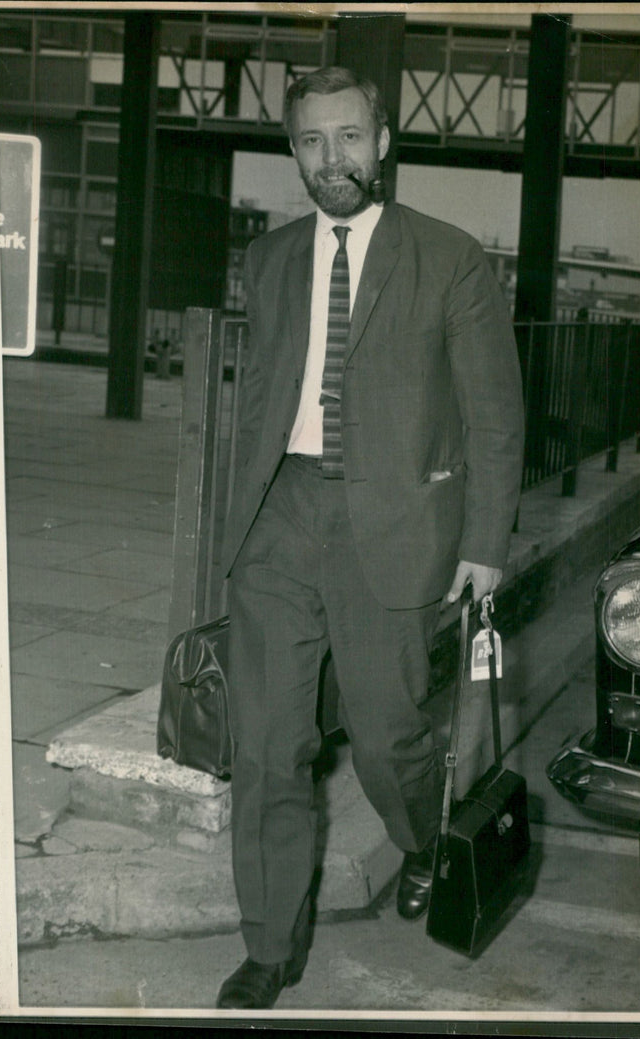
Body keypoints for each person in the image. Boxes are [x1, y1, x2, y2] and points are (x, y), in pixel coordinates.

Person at [217, 66, 524, 1010]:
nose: (331, 159)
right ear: (294, 152)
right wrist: (228, 537)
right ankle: (272, 943)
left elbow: (495, 416)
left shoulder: (450, 257)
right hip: (283, 512)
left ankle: (423, 840)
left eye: (349, 137)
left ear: (383, 142)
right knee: (269, 746)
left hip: (390, 523)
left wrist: (483, 541)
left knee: (392, 738)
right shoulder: (270, 261)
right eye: (311, 141)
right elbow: (262, 402)